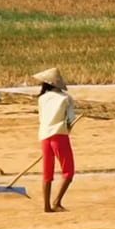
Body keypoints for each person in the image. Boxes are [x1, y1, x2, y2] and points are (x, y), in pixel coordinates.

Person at [33, 67, 76, 213]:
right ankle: (57, 202)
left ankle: (46, 206)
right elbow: (70, 120)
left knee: (47, 172)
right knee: (68, 171)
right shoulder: (65, 98)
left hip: (44, 136)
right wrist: (67, 128)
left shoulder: (41, 98)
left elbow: (41, 119)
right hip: (60, 135)